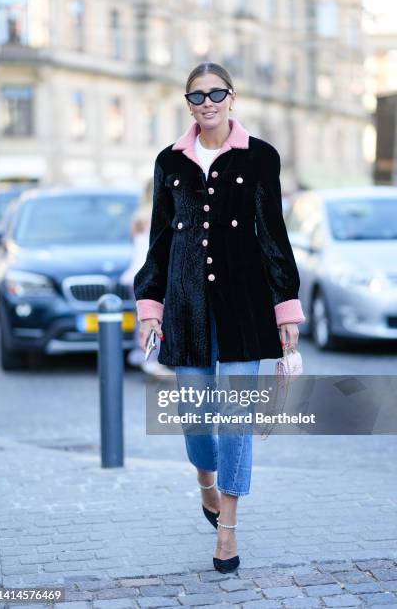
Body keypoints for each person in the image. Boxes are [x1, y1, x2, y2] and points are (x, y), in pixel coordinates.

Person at [133, 62, 306, 573]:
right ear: (187, 103)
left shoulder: (260, 157)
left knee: (234, 420)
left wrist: (285, 308)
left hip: (244, 309)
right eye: (197, 95)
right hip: (185, 308)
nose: (207, 102)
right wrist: (150, 308)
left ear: (233, 97)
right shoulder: (169, 162)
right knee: (195, 417)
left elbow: (273, 234)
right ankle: (205, 482)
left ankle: (227, 530)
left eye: (216, 93)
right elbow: (160, 241)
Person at [119, 179, 174, 377]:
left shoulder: (138, 216)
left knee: (144, 319)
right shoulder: (163, 212)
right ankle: (150, 360)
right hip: (153, 275)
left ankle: (142, 355)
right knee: (155, 318)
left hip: (134, 274)